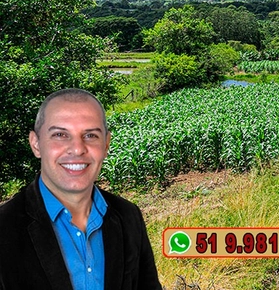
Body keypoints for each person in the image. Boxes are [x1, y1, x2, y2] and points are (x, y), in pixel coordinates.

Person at [0, 88, 162, 290]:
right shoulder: (4, 228)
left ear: (106, 145)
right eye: (60, 134)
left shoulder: (129, 216)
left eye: (91, 135)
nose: (77, 149)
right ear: (36, 144)